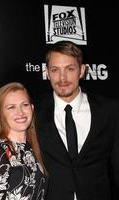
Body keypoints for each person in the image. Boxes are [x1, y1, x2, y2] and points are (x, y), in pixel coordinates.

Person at [34, 40, 119, 200]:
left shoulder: (109, 111)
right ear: (47, 72)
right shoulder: (33, 112)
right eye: (55, 70)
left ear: (82, 70)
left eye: (70, 69)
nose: (62, 78)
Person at [0, 82, 48, 200]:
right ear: (1, 114)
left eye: (24, 105)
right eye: (11, 107)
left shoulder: (33, 149)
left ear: (32, 108)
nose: (20, 112)